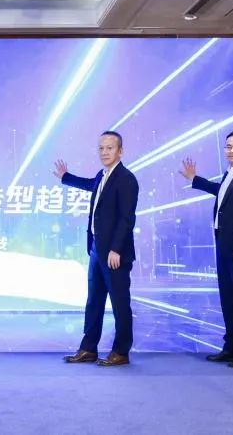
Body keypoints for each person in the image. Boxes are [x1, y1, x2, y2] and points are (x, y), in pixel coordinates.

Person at [180, 130, 233, 368]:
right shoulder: (231, 174)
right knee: (228, 299)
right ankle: (231, 347)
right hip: (225, 246)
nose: (232, 150)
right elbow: (223, 192)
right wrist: (196, 179)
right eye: (229, 146)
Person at [54, 131, 139, 366]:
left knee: (120, 303)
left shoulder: (126, 179)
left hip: (114, 254)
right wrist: (66, 177)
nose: (104, 152)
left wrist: (116, 249)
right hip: (96, 250)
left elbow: (127, 218)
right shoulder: (102, 176)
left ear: (120, 151)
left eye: (110, 148)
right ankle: (88, 348)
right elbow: (88, 184)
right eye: (101, 148)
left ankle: (121, 351)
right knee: (94, 301)